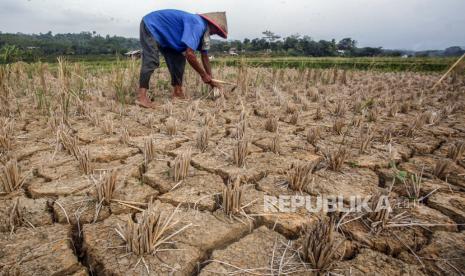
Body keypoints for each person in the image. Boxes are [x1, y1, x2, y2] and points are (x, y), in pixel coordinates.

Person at [136, 9, 228, 108]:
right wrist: (203, 74)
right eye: (216, 31)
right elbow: (190, 54)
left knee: (179, 59)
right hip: (151, 25)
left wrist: (211, 80)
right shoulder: (197, 24)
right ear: (212, 25)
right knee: (151, 60)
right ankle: (141, 97)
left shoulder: (203, 32)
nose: (213, 34)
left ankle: (178, 92)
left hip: (167, 38)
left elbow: (204, 56)